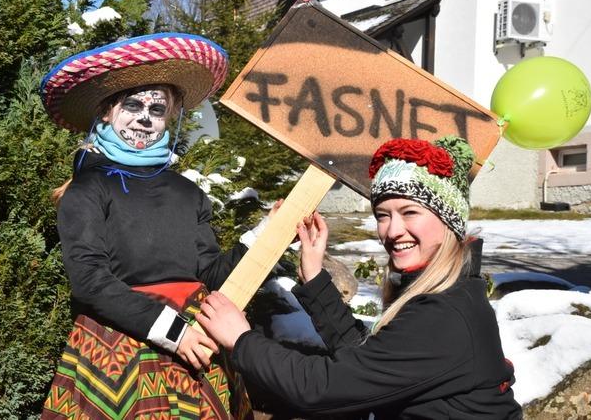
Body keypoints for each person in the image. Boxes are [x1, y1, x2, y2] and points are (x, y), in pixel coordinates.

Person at [197, 136, 523, 419]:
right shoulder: (447, 292)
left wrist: (242, 339)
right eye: (383, 215)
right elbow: (367, 358)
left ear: (448, 220)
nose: (393, 231)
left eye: (410, 212)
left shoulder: (445, 313)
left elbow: (324, 387)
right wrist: (314, 277)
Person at [40, 33, 253, 419]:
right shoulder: (88, 189)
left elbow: (207, 273)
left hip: (199, 352)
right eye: (133, 104)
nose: (144, 117)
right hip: (121, 351)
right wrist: (173, 332)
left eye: (157, 109)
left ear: (170, 117)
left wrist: (259, 240)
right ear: (105, 112)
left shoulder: (187, 193)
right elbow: (89, 281)